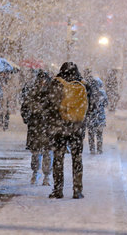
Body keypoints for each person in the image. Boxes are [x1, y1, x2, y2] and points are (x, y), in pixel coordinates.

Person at [47, 62, 90, 199]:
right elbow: (91, 105)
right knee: (77, 158)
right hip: (77, 127)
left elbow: (49, 104)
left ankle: (58, 189)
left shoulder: (56, 83)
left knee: (58, 158)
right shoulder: (83, 84)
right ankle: (77, 190)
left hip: (59, 127)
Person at [21, 70, 53, 186]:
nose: (42, 82)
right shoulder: (36, 93)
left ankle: (45, 175)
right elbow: (25, 108)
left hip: (42, 127)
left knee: (46, 153)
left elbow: (25, 108)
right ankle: (37, 174)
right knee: (37, 153)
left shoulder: (38, 93)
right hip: (39, 126)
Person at [86, 77, 108, 154]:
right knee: (99, 134)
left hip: (90, 117)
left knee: (91, 134)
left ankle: (92, 149)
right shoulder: (103, 93)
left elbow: (86, 104)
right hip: (100, 117)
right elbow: (106, 104)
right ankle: (99, 149)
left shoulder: (89, 93)